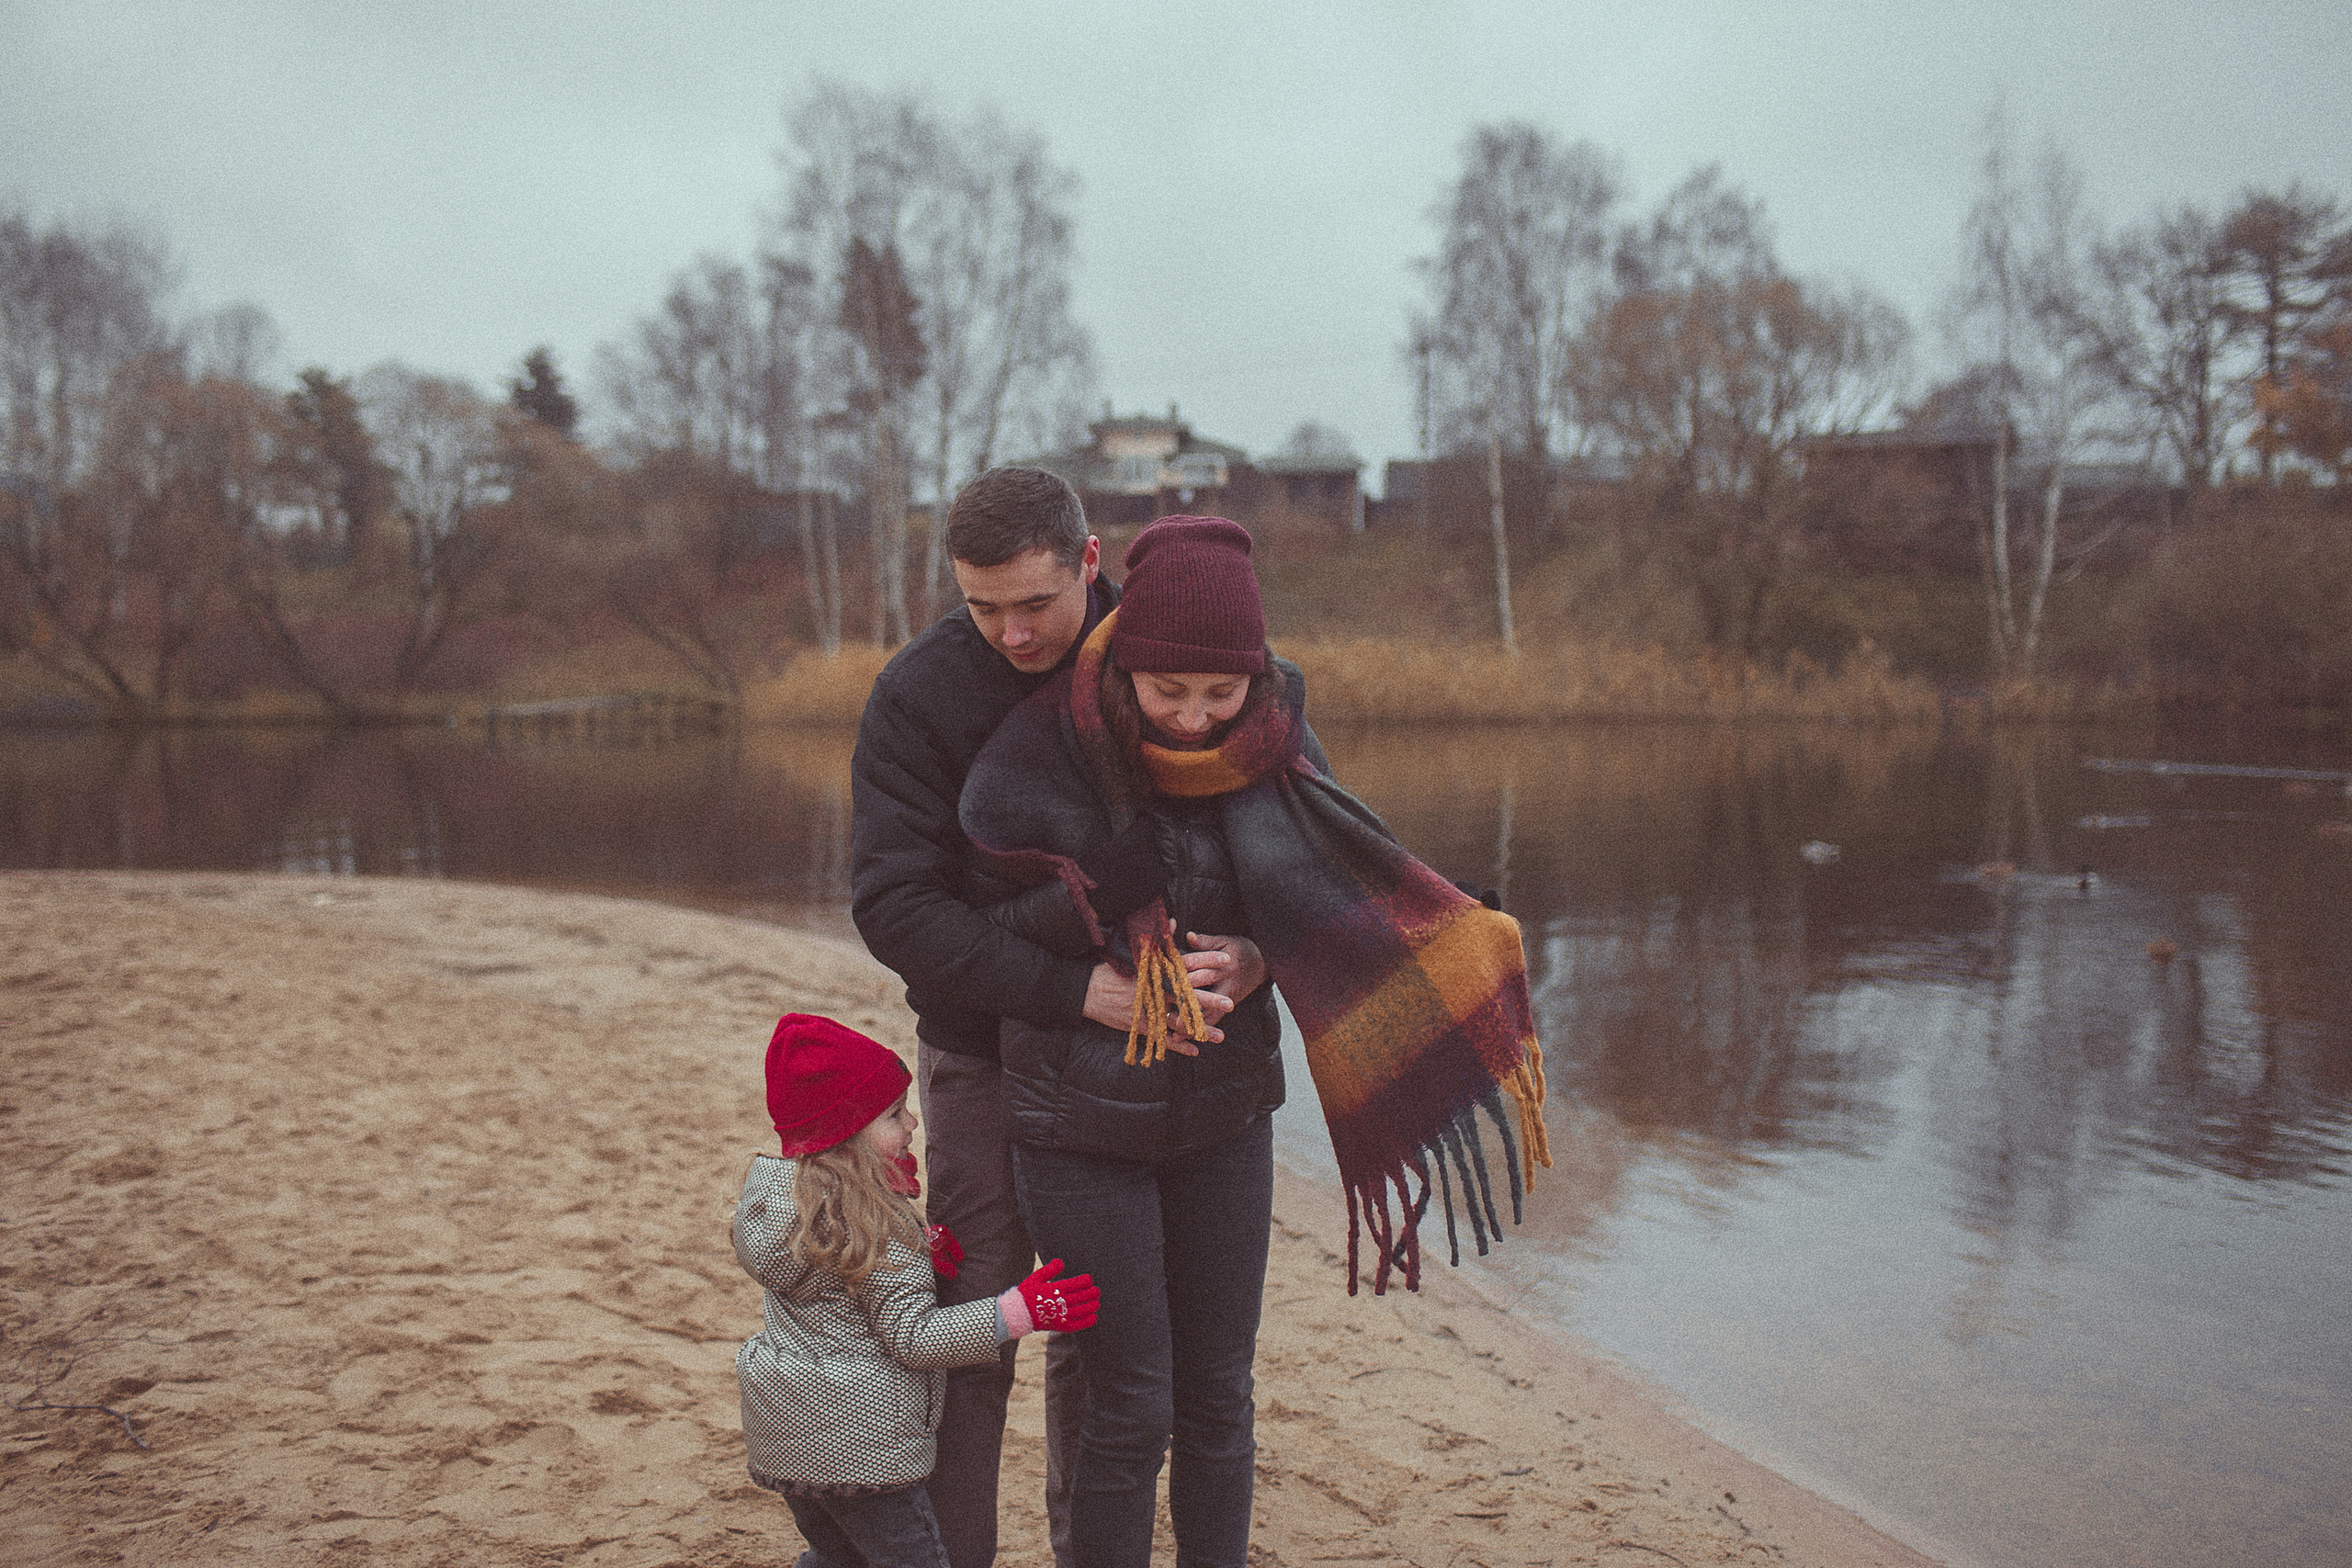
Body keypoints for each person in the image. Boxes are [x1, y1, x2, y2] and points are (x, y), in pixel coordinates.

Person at [958, 516, 1552, 1568]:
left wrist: (1260, 958)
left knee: (1221, 1402)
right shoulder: (1038, 752)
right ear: (1128, 662)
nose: (1192, 718)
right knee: (1130, 1407)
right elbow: (977, 928)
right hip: (1076, 1129)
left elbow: (1334, 896)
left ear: (1255, 679)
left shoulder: (1280, 741)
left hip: (1225, 1116)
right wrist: (1092, 905)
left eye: (1218, 695)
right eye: (1167, 692)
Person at [848, 468, 1263, 1568]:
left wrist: (1257, 955)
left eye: (1034, 603)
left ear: (1090, 561)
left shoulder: (1164, 656)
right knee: (977, 1328)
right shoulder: (918, 695)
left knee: (1100, 1337)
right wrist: (1071, 986)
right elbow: (894, 908)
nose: (1011, 632)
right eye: (982, 607)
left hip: (1148, 1063)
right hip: (984, 1052)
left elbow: (1271, 842)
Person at [733, 1012, 1102, 1568]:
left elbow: (838, 1295)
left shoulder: (788, 1208)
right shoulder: (877, 1229)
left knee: (836, 1557)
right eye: (892, 1115)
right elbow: (914, 1337)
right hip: (865, 1451)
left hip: (789, 1442)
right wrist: (1018, 1311)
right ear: (847, 1136)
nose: (911, 1124)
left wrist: (919, 1248)